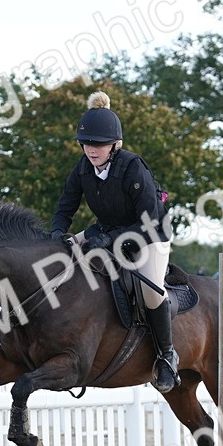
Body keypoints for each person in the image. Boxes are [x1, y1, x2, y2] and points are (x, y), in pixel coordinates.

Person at [48, 91, 176, 392]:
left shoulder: (133, 168)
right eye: (87, 143)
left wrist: (108, 238)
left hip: (148, 236)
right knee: (54, 260)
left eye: (99, 144)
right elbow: (65, 207)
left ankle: (166, 356)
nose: (91, 150)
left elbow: (149, 223)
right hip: (107, 232)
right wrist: (56, 235)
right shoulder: (82, 168)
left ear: (114, 145)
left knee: (152, 292)